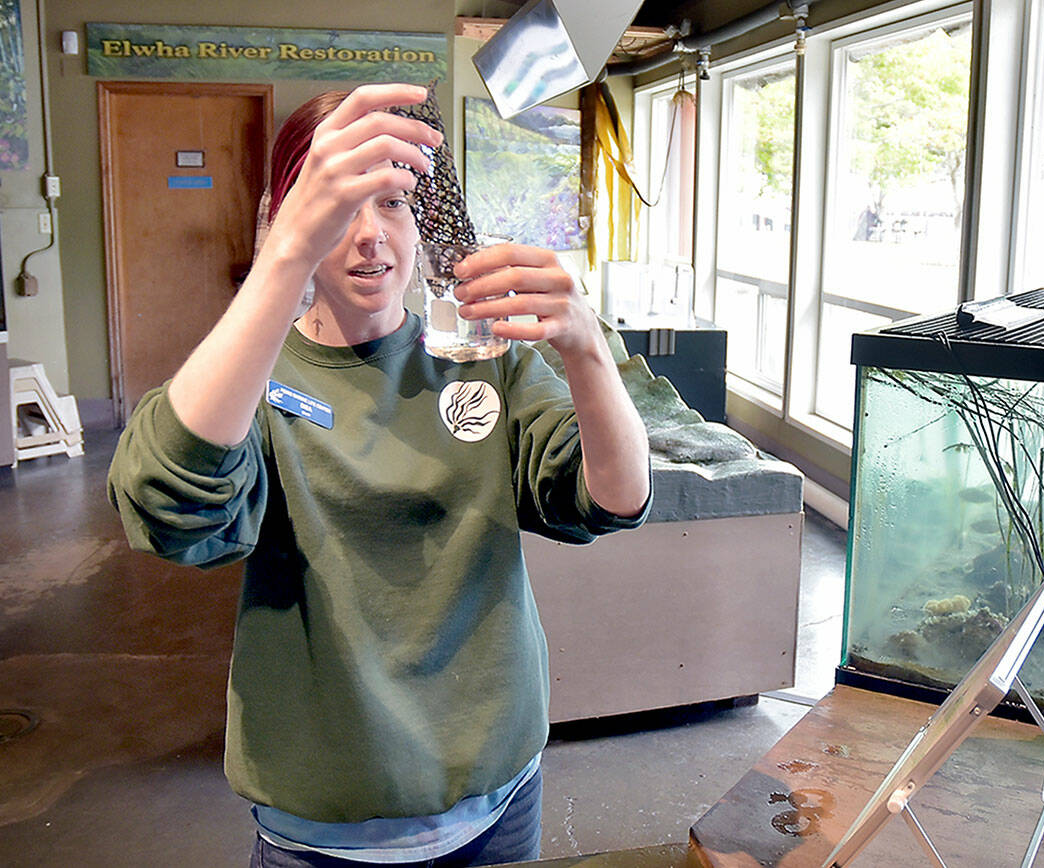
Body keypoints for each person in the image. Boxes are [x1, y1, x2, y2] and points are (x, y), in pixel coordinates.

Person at [107, 83, 651, 867]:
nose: (371, 236)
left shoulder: (484, 359)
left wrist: (587, 346)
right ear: (289, 219)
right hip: (325, 821)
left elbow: (612, 500)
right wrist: (283, 258)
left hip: (498, 796)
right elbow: (170, 506)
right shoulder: (251, 379)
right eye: (337, 207)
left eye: (393, 203)